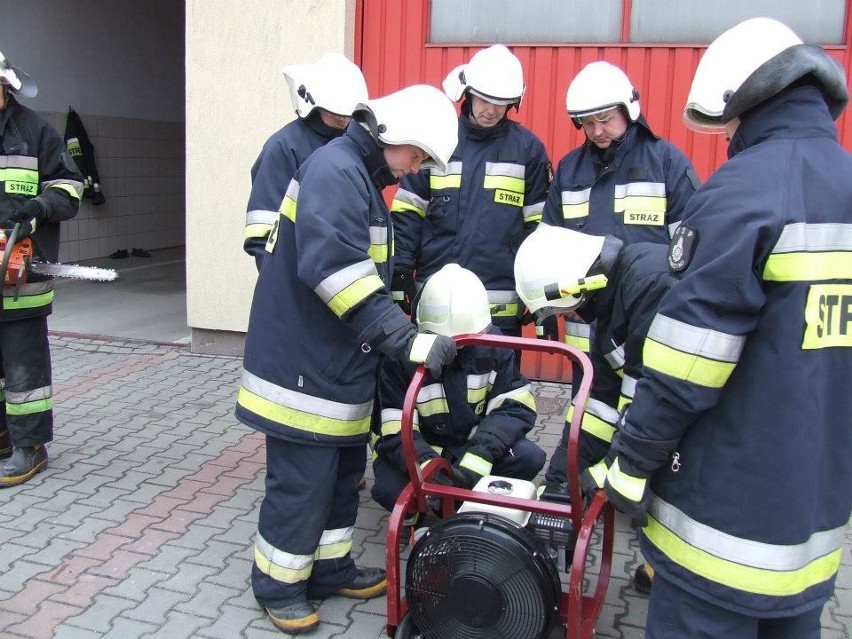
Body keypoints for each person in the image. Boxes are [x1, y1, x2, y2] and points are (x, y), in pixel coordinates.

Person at [593, 18, 852, 638]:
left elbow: (689, 361)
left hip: (722, 525)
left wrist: (629, 463)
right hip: (813, 527)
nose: (729, 135)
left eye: (729, 120)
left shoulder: (743, 194)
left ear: (746, 99)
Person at [234, 84, 459, 635]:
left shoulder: (356, 177)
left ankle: (329, 568)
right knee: (301, 485)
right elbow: (334, 269)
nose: (416, 169)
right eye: (419, 155)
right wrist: (403, 339)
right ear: (396, 136)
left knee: (339, 477)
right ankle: (278, 584)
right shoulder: (336, 171)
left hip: (330, 368)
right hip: (302, 371)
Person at [537, 63, 699, 571]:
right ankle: (569, 485)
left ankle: (655, 543)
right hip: (589, 319)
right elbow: (550, 239)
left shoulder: (667, 163)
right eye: (586, 123)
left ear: (629, 111)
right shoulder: (569, 169)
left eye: (605, 119)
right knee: (591, 404)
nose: (597, 131)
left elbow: (692, 244)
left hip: (649, 322)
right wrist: (548, 305)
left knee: (654, 414)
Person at [515, 223, 674, 592]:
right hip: (669, 420)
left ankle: (676, 572)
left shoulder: (652, 285)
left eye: (560, 308)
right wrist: (561, 479)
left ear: (576, 286)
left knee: (674, 488)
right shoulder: (614, 304)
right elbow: (599, 405)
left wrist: (607, 471)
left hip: (713, 424)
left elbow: (654, 402)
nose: (564, 317)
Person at [390, 45, 551, 341]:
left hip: (500, 309)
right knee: (433, 386)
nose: (491, 110)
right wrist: (400, 268)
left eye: (501, 103)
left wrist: (540, 294)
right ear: (467, 91)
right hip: (437, 297)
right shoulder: (439, 139)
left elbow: (539, 231)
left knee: (500, 386)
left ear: (514, 102)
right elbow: (409, 212)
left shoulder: (528, 151)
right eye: (485, 100)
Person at [371, 263, 545, 518]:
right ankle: (428, 511)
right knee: (390, 491)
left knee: (528, 457)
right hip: (421, 453)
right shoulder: (400, 358)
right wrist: (430, 469)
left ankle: (469, 504)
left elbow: (515, 406)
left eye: (465, 342)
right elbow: (393, 430)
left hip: (471, 447)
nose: (456, 350)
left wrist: (481, 455)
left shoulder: (493, 345)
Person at [0, 50, 83, 487]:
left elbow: (71, 187)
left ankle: (30, 447)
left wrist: (36, 209)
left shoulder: (34, 130)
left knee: (23, 368)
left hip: (22, 279)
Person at [243, 53, 368, 270]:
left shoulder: (354, 146)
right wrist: (284, 286)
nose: (345, 119)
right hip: (299, 281)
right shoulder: (283, 147)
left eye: (349, 114)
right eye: (338, 113)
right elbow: (262, 232)